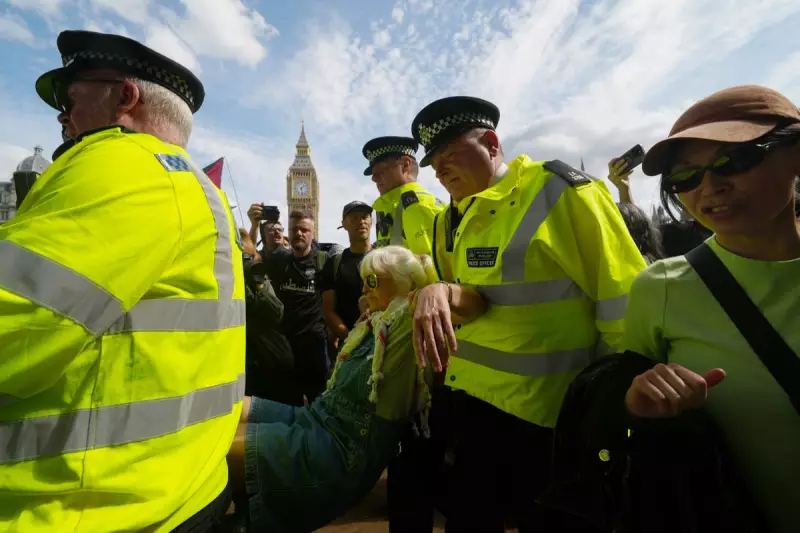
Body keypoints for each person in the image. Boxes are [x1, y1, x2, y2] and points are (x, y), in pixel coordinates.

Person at [0, 31, 245, 532]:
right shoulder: (202, 191)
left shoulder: (123, 165)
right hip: (181, 486)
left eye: (71, 101)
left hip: (77, 506)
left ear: (125, 97)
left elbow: (15, 328)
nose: (61, 119)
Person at [409, 96, 647, 531]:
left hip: (551, 419)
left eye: (449, 155)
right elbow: (472, 299)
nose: (439, 170)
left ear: (492, 143)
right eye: (433, 162)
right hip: (473, 409)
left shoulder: (559, 190)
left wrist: (616, 405)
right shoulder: (447, 221)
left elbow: (624, 301)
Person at [620, 85, 800, 533]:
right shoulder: (659, 288)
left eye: (735, 161)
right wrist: (635, 404)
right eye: (685, 178)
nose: (710, 188)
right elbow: (625, 430)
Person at [227, 246, 468, 533]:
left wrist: (439, 291)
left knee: (215, 448)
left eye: (373, 281)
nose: (365, 287)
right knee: (228, 408)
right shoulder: (376, 320)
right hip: (317, 420)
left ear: (405, 281)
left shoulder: (408, 316)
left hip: (341, 448)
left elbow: (477, 305)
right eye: (364, 279)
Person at [260, 210, 331, 405]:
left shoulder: (324, 262)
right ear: (287, 234)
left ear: (312, 233)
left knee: (319, 402)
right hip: (285, 347)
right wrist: (254, 224)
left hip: (314, 346)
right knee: (288, 403)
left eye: (304, 229)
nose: (299, 233)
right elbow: (252, 260)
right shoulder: (279, 260)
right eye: (294, 229)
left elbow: (331, 304)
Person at [363, 136, 445, 254]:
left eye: (381, 170)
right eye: (373, 174)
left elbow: (431, 269)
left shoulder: (417, 207)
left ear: (406, 165)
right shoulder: (391, 208)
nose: (374, 179)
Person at [322, 201, 373, 349]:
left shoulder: (383, 258)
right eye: (354, 218)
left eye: (365, 217)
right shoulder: (335, 263)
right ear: (344, 224)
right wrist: (351, 338)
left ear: (371, 221)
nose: (361, 222)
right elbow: (328, 311)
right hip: (349, 346)